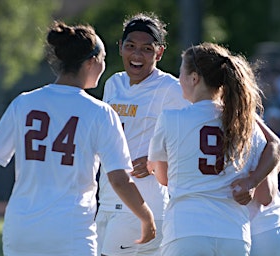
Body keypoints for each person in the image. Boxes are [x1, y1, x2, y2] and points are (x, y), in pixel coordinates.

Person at [0, 21, 155, 256]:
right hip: (70, 233)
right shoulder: (100, 113)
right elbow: (119, 179)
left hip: (21, 231)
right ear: (91, 61)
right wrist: (146, 216)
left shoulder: (24, 102)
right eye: (103, 58)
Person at [148, 43, 280, 256]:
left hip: (186, 231)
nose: (179, 79)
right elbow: (275, 148)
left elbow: (163, 178)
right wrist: (251, 181)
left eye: (181, 73)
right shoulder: (241, 123)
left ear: (194, 78)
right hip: (233, 234)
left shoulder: (170, 119)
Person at [95, 12, 189, 256]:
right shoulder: (113, 83)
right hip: (106, 198)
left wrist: (153, 162)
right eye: (131, 46)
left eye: (147, 48)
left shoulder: (171, 88)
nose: (137, 55)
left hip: (142, 203)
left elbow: (191, 137)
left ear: (159, 52)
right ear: (120, 48)